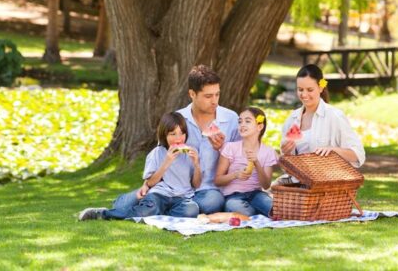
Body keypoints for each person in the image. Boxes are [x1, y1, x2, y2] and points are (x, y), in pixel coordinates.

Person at [107, 65, 241, 215]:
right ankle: (154, 204)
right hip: (173, 187)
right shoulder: (178, 118)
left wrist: (222, 148)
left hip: (209, 189)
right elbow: (162, 153)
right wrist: (148, 184)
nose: (214, 101)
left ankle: (160, 207)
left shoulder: (231, 119)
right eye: (208, 96)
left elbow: (239, 161)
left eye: (217, 94)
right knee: (122, 206)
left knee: (212, 202)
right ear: (192, 94)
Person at [78, 112, 201, 220]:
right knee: (146, 210)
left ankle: (157, 214)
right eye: (173, 134)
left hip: (182, 199)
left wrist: (196, 164)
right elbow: (150, 183)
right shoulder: (156, 153)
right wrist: (166, 162)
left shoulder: (190, 153)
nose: (178, 138)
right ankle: (103, 214)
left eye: (182, 133)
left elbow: (196, 184)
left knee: (192, 210)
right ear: (164, 135)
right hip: (159, 195)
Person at [279, 64, 366, 171]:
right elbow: (285, 164)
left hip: (328, 183)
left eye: (310, 90)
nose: (304, 95)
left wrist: (333, 151)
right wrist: (286, 153)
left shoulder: (334, 116)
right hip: (299, 184)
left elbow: (358, 154)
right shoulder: (293, 119)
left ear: (320, 88)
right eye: (300, 90)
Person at [215, 107, 277, 217]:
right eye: (240, 121)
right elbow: (218, 180)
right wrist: (235, 175)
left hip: (256, 194)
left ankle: (255, 212)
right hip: (233, 196)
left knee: (274, 208)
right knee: (237, 208)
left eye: (247, 121)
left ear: (260, 126)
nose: (242, 125)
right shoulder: (230, 147)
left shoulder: (268, 151)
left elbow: (266, 185)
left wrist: (256, 163)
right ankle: (254, 213)